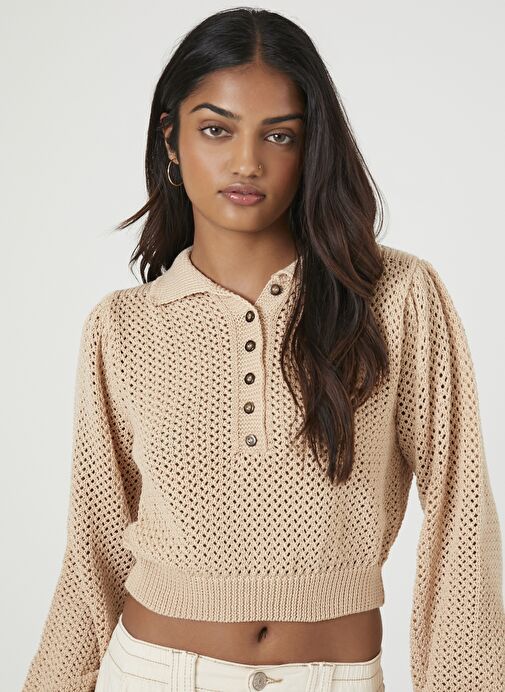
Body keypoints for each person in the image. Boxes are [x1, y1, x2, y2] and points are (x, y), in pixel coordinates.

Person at [22, 7, 504, 692]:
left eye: (279, 135)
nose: (246, 162)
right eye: (216, 129)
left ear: (311, 148)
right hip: (151, 672)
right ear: (170, 138)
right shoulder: (121, 326)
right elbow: (94, 551)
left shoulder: (397, 296)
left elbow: (461, 515)